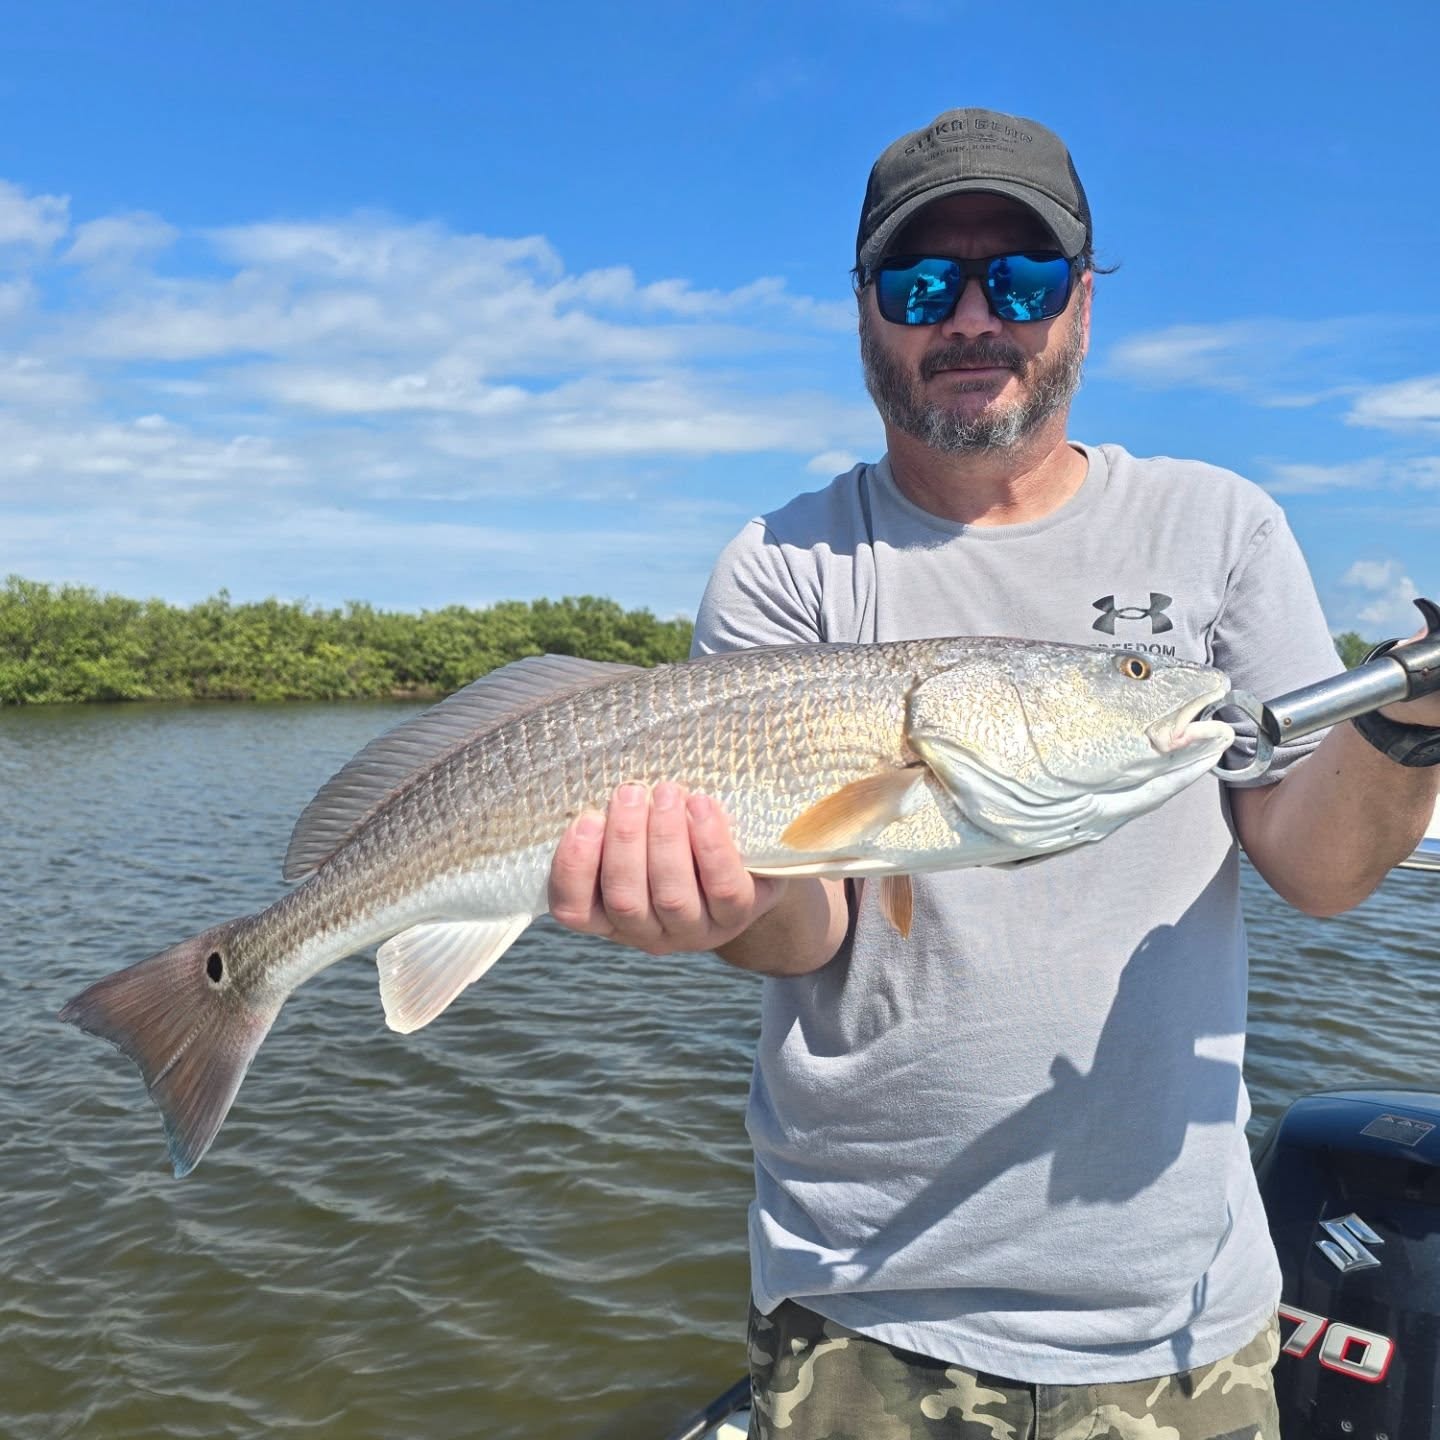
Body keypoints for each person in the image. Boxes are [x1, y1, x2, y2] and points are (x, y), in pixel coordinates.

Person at [548, 108, 1440, 1438]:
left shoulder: (1220, 524)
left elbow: (1318, 868)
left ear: (1082, 300)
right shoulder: (786, 565)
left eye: (1019, 278)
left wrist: (1413, 723)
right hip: (859, 1308)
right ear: (867, 312)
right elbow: (814, 921)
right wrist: (719, 900)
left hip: (1179, 1318)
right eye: (922, 282)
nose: (972, 316)